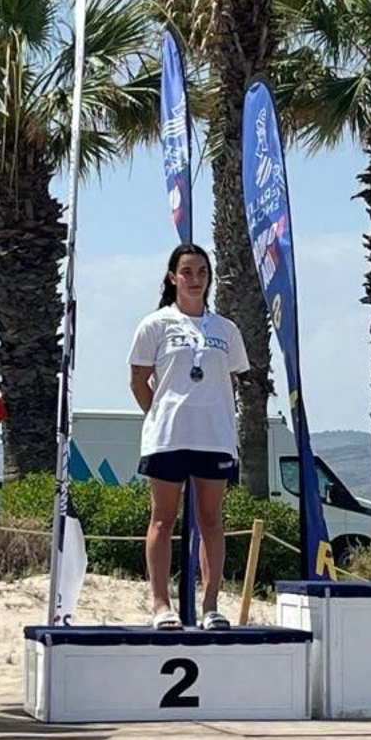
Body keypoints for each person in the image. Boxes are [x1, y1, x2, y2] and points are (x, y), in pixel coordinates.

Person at [128, 243, 250, 630]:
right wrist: (162, 415)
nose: (194, 279)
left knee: (211, 520)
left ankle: (210, 604)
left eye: (201, 272)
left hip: (213, 436)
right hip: (168, 436)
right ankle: (161, 605)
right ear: (172, 277)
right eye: (187, 272)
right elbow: (138, 380)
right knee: (163, 520)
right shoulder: (155, 324)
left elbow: (230, 380)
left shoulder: (226, 329)